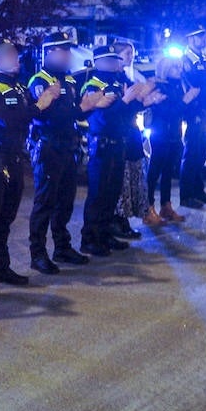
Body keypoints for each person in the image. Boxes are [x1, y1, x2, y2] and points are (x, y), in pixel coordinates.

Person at [0, 41, 61, 294]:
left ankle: (1, 267)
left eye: (16, 54)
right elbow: (9, 120)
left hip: (14, 160)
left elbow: (36, 117)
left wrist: (44, 104)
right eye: (9, 55)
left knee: (6, 218)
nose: (16, 58)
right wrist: (40, 104)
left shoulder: (19, 88)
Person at [26, 32, 99, 273]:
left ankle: (62, 247)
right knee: (45, 203)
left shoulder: (68, 81)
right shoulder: (39, 81)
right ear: (49, 52)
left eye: (68, 51)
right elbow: (49, 115)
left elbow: (76, 114)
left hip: (68, 147)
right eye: (63, 51)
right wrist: (81, 108)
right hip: (48, 147)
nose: (68, 55)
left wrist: (88, 108)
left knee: (66, 201)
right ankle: (37, 254)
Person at [80, 46, 161, 256]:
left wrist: (144, 102)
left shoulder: (116, 82)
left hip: (119, 144)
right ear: (98, 62)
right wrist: (125, 100)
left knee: (111, 193)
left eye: (115, 60)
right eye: (109, 60)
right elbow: (102, 120)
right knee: (98, 195)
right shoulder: (93, 86)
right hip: (103, 144)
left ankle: (105, 234)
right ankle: (90, 239)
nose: (114, 63)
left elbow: (126, 113)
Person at [144, 55, 198, 225]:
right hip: (160, 134)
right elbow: (168, 112)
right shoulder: (159, 86)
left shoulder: (177, 85)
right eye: (175, 67)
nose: (179, 70)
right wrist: (186, 99)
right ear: (166, 69)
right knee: (154, 172)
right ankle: (148, 208)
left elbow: (179, 112)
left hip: (174, 134)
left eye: (180, 67)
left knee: (168, 172)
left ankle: (166, 206)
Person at [179, 26, 206, 210]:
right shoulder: (186, 60)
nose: (203, 39)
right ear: (190, 40)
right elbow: (195, 82)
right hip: (194, 112)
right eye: (198, 37)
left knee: (202, 152)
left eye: (204, 35)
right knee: (191, 153)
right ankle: (186, 195)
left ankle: (198, 190)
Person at [112, 40, 148, 241]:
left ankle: (124, 221)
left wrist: (146, 100)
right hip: (121, 134)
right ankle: (117, 221)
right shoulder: (112, 79)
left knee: (132, 177)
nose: (131, 57)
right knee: (121, 182)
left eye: (132, 53)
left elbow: (134, 105)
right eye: (127, 53)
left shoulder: (127, 76)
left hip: (132, 131)